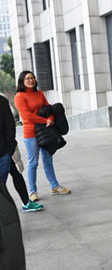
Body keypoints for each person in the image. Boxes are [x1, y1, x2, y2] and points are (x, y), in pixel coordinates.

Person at [14, 71, 70, 202]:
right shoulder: (19, 96)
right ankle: (32, 192)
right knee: (33, 162)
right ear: (22, 81)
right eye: (27, 78)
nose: (31, 80)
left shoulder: (39, 93)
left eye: (32, 78)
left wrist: (50, 118)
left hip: (45, 132)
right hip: (31, 133)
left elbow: (48, 108)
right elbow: (27, 116)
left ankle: (54, 186)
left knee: (48, 160)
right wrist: (45, 120)